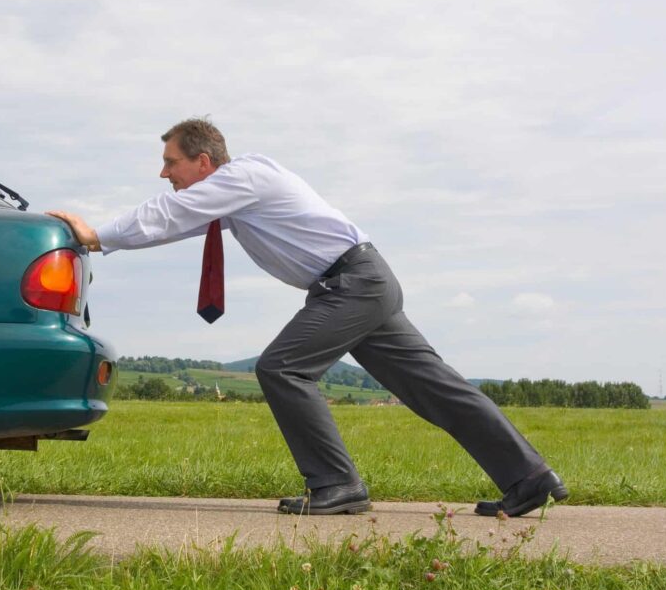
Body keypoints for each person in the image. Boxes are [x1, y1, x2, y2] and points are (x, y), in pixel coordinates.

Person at [48, 118, 568, 517]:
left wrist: (97, 233)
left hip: (352, 284)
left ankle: (337, 485)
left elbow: (168, 213)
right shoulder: (234, 193)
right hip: (361, 282)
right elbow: (175, 225)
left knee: (282, 368)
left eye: (171, 162)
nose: (164, 173)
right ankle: (530, 479)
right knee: (435, 387)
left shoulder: (245, 176)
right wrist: (111, 240)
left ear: (203, 162)